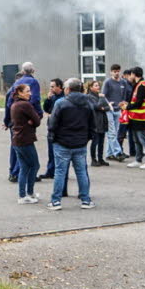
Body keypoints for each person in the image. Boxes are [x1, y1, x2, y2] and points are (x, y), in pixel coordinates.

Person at [46, 78, 95, 211]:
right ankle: (85, 200)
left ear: (68, 89)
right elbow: (92, 124)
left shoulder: (60, 103)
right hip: (80, 143)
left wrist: (52, 139)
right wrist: (87, 138)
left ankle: (56, 201)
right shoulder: (88, 102)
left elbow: (53, 123)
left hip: (62, 143)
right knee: (81, 171)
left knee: (60, 172)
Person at [6, 63, 44, 182]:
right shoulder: (33, 83)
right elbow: (35, 100)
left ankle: (13, 172)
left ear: (22, 71)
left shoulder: (16, 84)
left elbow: (8, 102)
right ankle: (24, 174)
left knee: (15, 145)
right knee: (25, 146)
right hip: (26, 119)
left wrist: (7, 120)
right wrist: (38, 116)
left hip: (14, 119)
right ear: (33, 71)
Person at [8, 84, 42, 204]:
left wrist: (30, 121)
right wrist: (31, 121)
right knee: (34, 165)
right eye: (27, 91)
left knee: (24, 167)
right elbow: (37, 121)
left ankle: (23, 195)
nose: (30, 93)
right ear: (20, 93)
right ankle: (29, 193)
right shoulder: (25, 105)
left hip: (17, 140)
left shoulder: (14, 104)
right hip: (25, 140)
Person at [123, 67, 145, 169]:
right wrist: (128, 105)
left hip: (141, 118)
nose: (129, 76)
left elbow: (139, 103)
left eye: (130, 74)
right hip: (135, 117)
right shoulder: (137, 85)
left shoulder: (142, 85)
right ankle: (138, 159)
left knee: (143, 140)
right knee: (136, 140)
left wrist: (127, 107)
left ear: (133, 74)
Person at [102, 64, 130, 161]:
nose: (116, 73)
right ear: (111, 72)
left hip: (118, 110)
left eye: (118, 71)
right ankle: (118, 152)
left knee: (115, 132)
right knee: (112, 133)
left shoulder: (123, 82)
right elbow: (103, 95)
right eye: (114, 71)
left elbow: (124, 95)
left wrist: (123, 103)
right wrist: (108, 104)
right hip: (109, 110)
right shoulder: (108, 82)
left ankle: (110, 154)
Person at [39, 78, 66, 179]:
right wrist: (48, 99)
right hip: (51, 127)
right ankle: (50, 171)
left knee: (60, 152)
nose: (50, 88)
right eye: (50, 86)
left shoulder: (63, 97)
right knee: (51, 151)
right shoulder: (53, 97)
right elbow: (46, 109)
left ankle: (60, 171)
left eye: (52, 86)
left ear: (59, 87)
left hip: (60, 128)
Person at [87, 79, 111, 166]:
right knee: (95, 141)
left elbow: (107, 107)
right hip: (95, 122)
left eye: (98, 85)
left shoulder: (100, 96)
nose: (98, 87)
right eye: (96, 86)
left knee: (101, 142)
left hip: (103, 121)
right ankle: (93, 160)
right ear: (90, 87)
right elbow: (96, 106)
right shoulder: (89, 97)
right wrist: (101, 99)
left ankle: (100, 159)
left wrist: (103, 107)